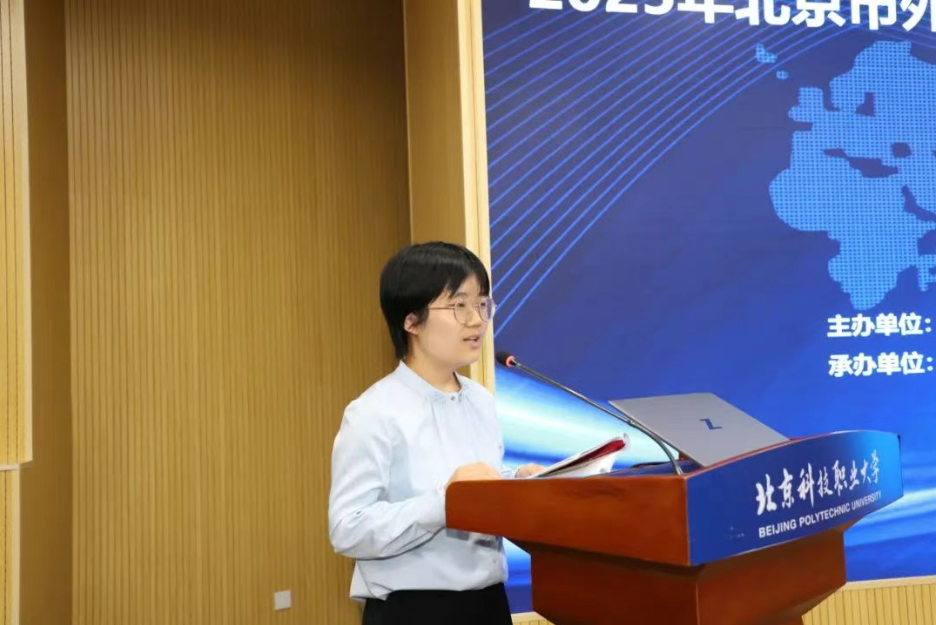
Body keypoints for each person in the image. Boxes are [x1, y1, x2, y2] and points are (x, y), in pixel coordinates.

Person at [328, 242, 545, 625]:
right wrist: (446, 504)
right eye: (459, 305)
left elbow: (475, 484)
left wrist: (515, 483)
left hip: (490, 604)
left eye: (482, 303)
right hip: (414, 610)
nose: (477, 320)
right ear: (411, 321)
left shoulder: (480, 400)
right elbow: (348, 528)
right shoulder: (373, 412)